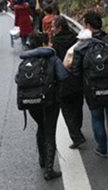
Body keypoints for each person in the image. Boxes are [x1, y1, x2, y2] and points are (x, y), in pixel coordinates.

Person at [71, 11, 108, 175]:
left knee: (97, 118)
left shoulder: (82, 46)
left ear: (87, 25)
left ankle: (102, 148)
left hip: (92, 92)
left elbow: (75, 71)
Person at [17, 32, 70, 180]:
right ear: (44, 43)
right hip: (50, 101)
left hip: (31, 103)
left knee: (41, 126)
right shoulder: (51, 58)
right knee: (50, 131)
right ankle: (49, 169)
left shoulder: (25, 60)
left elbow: (17, 79)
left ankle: (42, 159)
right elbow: (63, 76)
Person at [51, 15, 86, 149]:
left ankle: (76, 135)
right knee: (78, 105)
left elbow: (57, 61)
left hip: (63, 80)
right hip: (77, 77)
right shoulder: (74, 38)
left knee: (66, 109)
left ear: (60, 27)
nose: (52, 29)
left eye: (54, 26)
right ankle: (78, 128)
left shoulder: (56, 42)